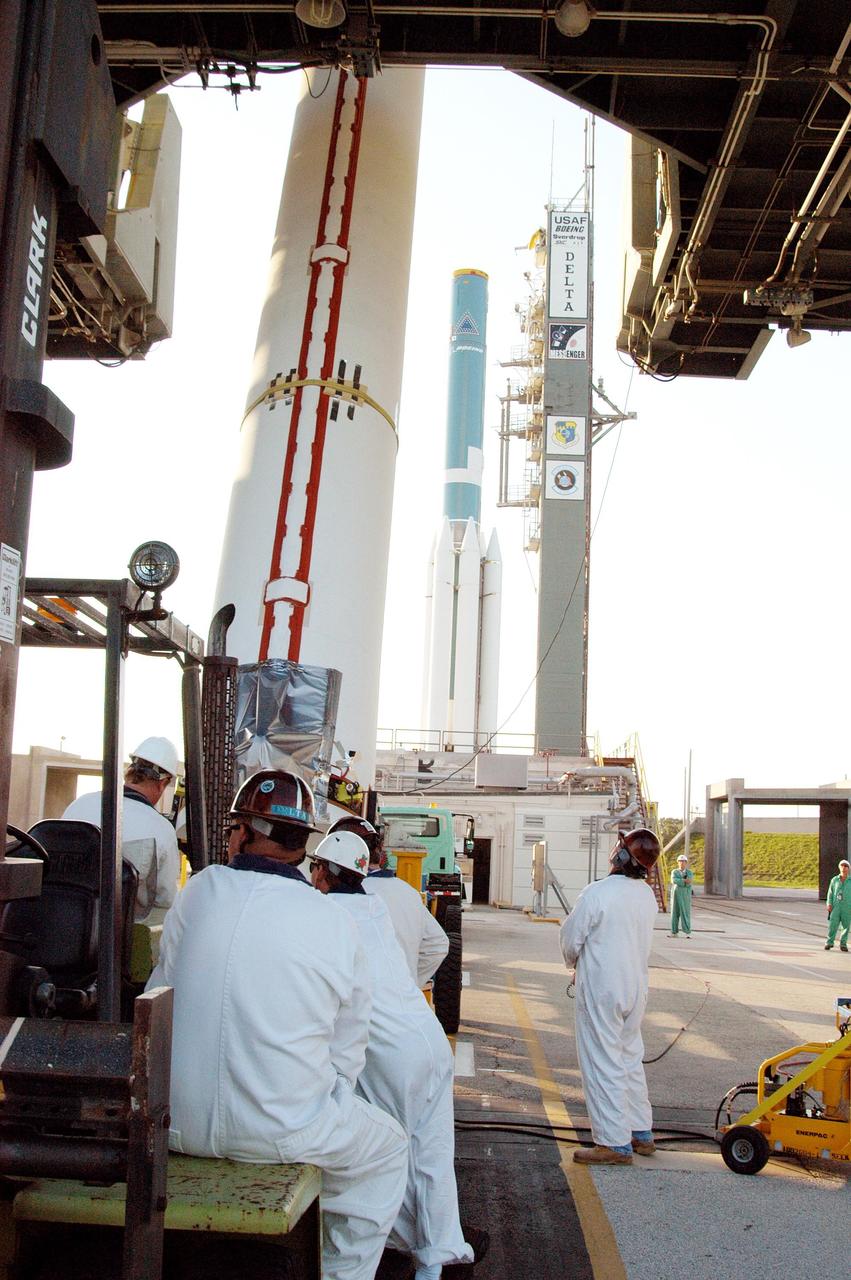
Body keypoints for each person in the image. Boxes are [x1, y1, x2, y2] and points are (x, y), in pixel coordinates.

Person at [146, 770, 409, 1280]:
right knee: (388, 1147)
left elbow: (160, 995)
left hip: (174, 1122)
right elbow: (348, 1051)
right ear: (300, 843)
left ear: (243, 832)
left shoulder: (198, 892)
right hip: (282, 1132)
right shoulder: (334, 920)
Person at [310, 830, 487, 1280]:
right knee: (432, 1158)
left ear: (322, 873)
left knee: (386, 1163)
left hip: (388, 1056)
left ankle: (386, 1251)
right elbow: (434, 948)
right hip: (427, 1040)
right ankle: (442, 1257)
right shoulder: (375, 907)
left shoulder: (324, 916)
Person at [559, 827, 661, 1166]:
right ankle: (640, 1132)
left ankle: (613, 1143)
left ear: (620, 856)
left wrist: (575, 963)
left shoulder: (597, 893)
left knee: (602, 1060)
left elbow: (571, 942)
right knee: (629, 1056)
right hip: (635, 987)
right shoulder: (646, 896)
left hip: (603, 987)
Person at [63, 735, 181, 919]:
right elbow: (166, 902)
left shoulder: (79, 805)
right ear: (163, 783)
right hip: (117, 937)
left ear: (130, 772)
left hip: (61, 921)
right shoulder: (161, 829)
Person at [330, 815, 449, 986]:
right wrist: (410, 981)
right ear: (379, 850)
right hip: (404, 1001)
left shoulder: (345, 894)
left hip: (359, 1004)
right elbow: (438, 945)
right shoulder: (409, 892)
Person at [825, 858, 851, 952]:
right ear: (839, 867)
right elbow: (830, 893)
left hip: (847, 907)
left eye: (846, 866)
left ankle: (843, 944)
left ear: (848, 869)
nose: (844, 868)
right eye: (842, 866)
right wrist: (829, 903)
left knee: (845, 927)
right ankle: (829, 942)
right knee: (833, 925)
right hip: (836, 906)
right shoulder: (834, 880)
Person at [670, 852, 694, 937]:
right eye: (680, 861)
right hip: (676, 895)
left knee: (685, 912)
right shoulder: (674, 871)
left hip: (685, 895)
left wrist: (681, 881)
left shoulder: (689, 872)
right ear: (677, 862)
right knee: (674, 912)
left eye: (683, 861)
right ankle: (674, 932)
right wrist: (683, 881)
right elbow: (674, 881)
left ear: (686, 863)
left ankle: (687, 932)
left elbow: (689, 882)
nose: (681, 863)